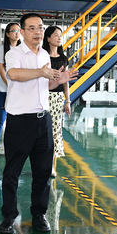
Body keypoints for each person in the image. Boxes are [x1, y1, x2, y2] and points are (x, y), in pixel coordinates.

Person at [0, 13, 77, 234]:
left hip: (43, 120)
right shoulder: (14, 54)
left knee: (42, 172)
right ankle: (9, 216)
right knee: (12, 172)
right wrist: (41, 72)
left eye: (40, 28)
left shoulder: (44, 54)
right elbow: (13, 74)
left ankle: (39, 214)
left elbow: (46, 83)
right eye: (32, 28)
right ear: (22, 32)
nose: (37, 32)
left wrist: (59, 80)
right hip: (20, 121)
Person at [0, 22, 21, 160]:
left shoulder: (23, 49)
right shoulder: (2, 48)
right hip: (3, 89)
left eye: (18, 31)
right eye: (13, 31)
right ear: (7, 34)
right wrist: (10, 85)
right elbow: (1, 70)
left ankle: (14, 147)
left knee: (17, 120)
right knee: (0, 118)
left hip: (19, 90)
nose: (16, 33)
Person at [43, 25, 72, 177]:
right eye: (55, 35)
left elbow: (65, 81)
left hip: (58, 98)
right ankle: (41, 162)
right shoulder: (42, 56)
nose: (59, 38)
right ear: (48, 38)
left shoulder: (63, 59)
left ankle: (51, 165)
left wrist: (68, 101)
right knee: (43, 131)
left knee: (56, 130)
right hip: (43, 96)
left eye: (60, 35)